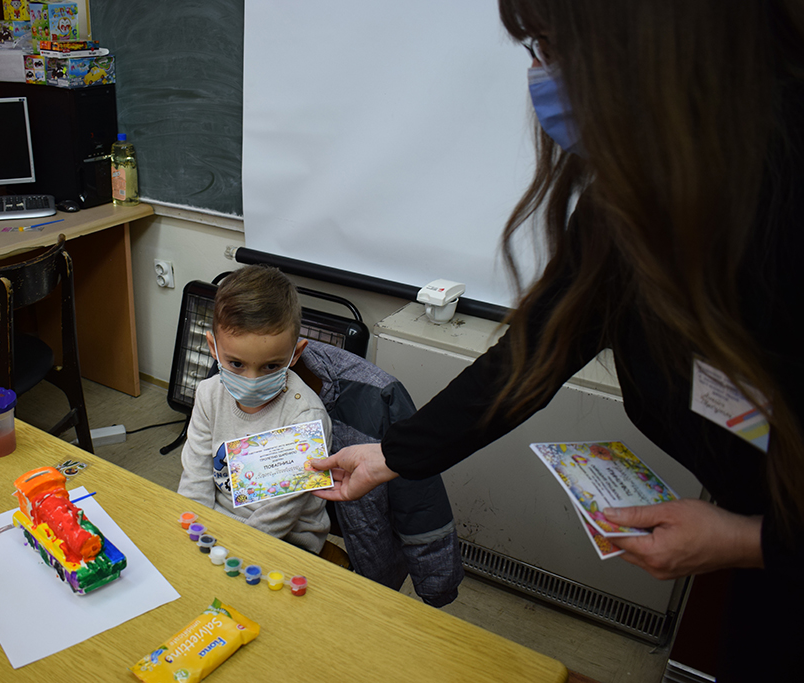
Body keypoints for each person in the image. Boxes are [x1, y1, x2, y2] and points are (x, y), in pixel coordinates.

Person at [311, 2, 804, 679]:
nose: (541, 75)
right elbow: (530, 356)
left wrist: (752, 541)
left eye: (552, 43)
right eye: (535, 47)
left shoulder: (781, 196)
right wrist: (392, 454)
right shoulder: (629, 204)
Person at [178, 265, 331, 553]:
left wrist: (234, 547)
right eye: (236, 364)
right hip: (218, 525)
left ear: (295, 354)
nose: (252, 381)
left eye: (271, 366)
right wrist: (195, 530)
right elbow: (195, 481)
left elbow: (281, 514)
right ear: (213, 347)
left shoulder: (305, 417)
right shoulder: (208, 395)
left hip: (288, 539)